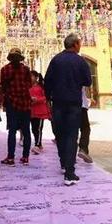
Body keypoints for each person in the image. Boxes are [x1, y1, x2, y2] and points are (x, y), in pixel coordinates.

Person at [45, 33, 92, 186]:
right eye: (80, 43)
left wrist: (48, 98)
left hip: (57, 102)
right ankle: (70, 173)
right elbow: (87, 81)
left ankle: (63, 162)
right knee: (72, 135)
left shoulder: (56, 60)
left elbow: (47, 81)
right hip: (73, 103)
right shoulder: (80, 61)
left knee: (60, 133)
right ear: (75, 45)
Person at [0, 48, 32, 166]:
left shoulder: (5, 69)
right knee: (26, 130)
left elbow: (3, 86)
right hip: (25, 103)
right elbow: (29, 84)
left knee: (12, 131)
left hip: (12, 103)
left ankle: (10, 157)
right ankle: (25, 157)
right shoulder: (26, 69)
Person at [29, 70, 49, 154]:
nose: (30, 78)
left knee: (39, 128)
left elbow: (45, 97)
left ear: (36, 77)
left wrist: (37, 99)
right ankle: (38, 143)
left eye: (31, 76)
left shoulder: (41, 86)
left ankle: (37, 144)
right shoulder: (28, 86)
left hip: (40, 110)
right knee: (33, 128)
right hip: (31, 111)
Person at [78, 86, 93, 163]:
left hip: (65, 106)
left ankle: (69, 156)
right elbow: (87, 82)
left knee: (71, 131)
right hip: (80, 106)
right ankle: (83, 149)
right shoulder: (80, 74)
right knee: (85, 128)